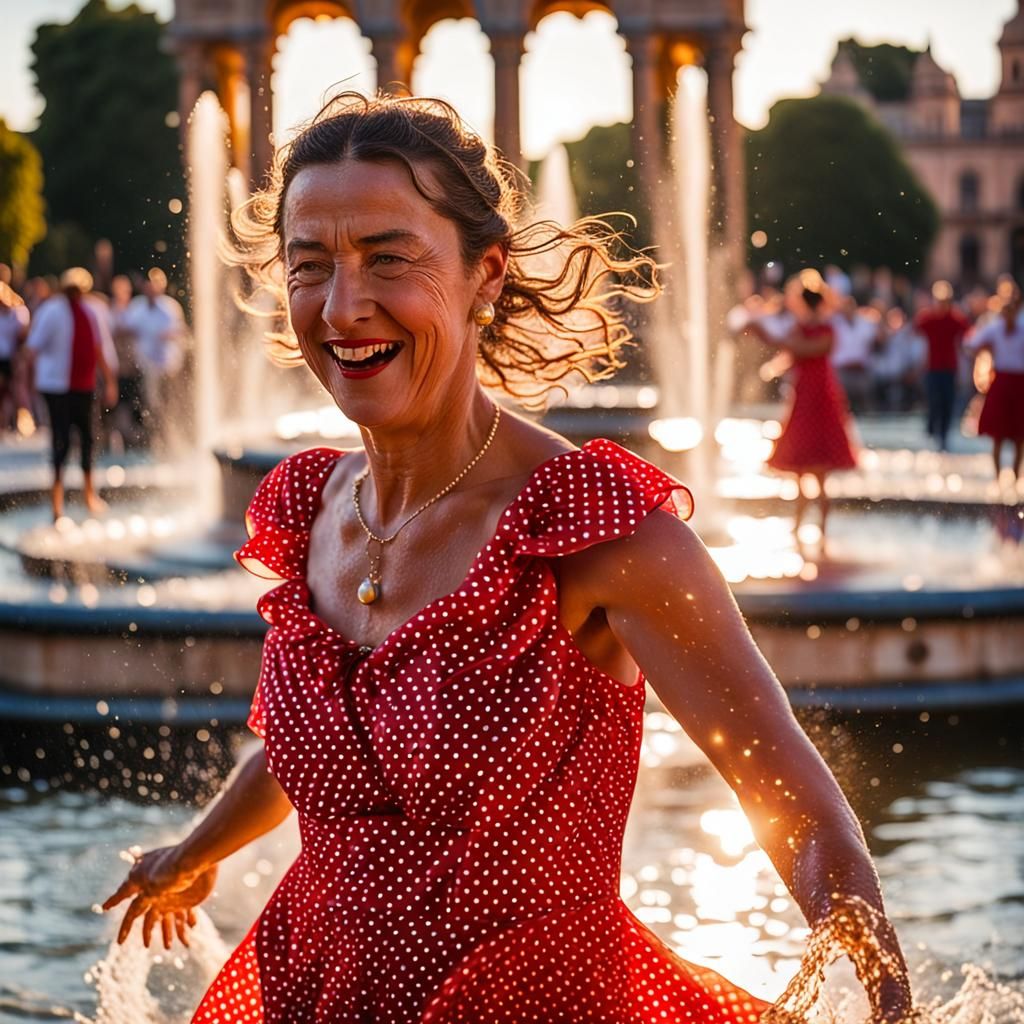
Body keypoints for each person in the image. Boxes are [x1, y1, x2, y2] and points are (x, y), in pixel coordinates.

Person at [103, 94, 914, 1024]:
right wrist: (195, 852)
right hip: (310, 986)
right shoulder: (309, 506)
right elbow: (329, 748)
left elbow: (795, 802)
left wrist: (885, 996)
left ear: (486, 273)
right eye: (310, 265)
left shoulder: (600, 533)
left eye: (388, 258)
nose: (342, 305)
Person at [745, 271, 858, 542]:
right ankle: (804, 525)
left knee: (816, 467)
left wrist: (781, 343)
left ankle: (817, 527)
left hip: (817, 394)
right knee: (803, 466)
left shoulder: (817, 329)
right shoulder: (808, 327)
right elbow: (794, 350)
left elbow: (810, 349)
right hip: (810, 393)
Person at [24, 267, 118, 519]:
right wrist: (28, 383)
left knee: (87, 440)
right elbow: (33, 348)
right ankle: (57, 504)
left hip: (82, 386)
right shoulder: (52, 311)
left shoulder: (90, 311)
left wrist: (109, 381)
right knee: (61, 443)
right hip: (56, 387)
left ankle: (89, 495)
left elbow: (99, 349)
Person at [965, 286, 1024, 483]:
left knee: (1019, 435)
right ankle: (998, 477)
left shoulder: (1022, 328)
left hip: (1019, 381)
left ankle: (1016, 476)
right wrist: (986, 352)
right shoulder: (995, 328)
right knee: (998, 434)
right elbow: (971, 345)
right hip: (1002, 380)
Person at [121, 267, 186, 442]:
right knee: (146, 403)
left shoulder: (170, 307)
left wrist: (167, 335)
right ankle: (150, 436)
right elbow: (125, 331)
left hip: (166, 366)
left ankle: (167, 435)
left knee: (165, 404)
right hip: (144, 366)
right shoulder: (137, 307)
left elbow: (181, 332)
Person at [913, 281, 969, 450]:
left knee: (947, 402)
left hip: (949, 367)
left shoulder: (956, 318)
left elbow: (966, 338)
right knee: (933, 401)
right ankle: (932, 429)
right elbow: (915, 331)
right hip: (931, 367)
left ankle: (943, 435)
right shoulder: (928, 318)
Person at [108, 274, 146, 448]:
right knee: (118, 404)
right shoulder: (111, 311)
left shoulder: (135, 310)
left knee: (134, 402)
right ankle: (120, 437)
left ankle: (133, 437)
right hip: (117, 365)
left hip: (133, 365)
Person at [830, 294, 879, 414]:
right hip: (841, 370)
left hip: (861, 370)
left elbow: (876, 342)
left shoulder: (866, 323)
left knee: (866, 396)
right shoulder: (834, 324)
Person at [0, 281, 30, 431]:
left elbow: (23, 336)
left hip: (12, 358)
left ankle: (21, 420)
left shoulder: (18, 313)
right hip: (2, 358)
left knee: (17, 391)